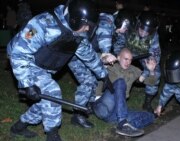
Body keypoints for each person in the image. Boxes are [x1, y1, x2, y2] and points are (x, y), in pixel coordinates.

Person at [7, 0, 113, 140]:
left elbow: (89, 56)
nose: (87, 29)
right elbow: (19, 53)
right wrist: (27, 83)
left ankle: (19, 127)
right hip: (25, 61)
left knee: (45, 100)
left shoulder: (77, 33)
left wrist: (103, 75)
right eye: (86, 25)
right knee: (52, 91)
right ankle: (52, 135)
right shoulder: (42, 24)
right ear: (75, 19)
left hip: (43, 66)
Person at [92, 48, 157, 137]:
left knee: (149, 116)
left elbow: (151, 82)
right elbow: (93, 56)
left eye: (130, 60)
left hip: (117, 111)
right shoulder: (110, 65)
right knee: (120, 82)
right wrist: (105, 57)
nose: (128, 62)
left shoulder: (134, 70)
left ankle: (123, 127)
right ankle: (123, 123)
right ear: (118, 57)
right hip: (103, 106)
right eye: (125, 59)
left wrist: (151, 71)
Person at [113, 11, 161, 112]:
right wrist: (119, 57)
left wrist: (145, 73)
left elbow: (154, 57)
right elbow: (119, 44)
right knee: (115, 66)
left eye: (147, 31)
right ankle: (113, 92)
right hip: (127, 51)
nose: (143, 33)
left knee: (155, 72)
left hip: (143, 55)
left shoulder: (154, 36)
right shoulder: (129, 27)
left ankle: (147, 102)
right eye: (142, 29)